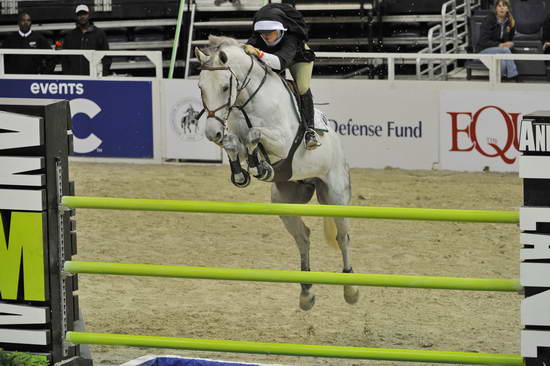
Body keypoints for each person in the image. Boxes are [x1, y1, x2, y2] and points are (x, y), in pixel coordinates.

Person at [243, 3, 320, 150]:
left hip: (298, 59)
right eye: (263, 33)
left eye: (270, 33)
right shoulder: (258, 36)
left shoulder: (291, 38)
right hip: (273, 59)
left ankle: (310, 131)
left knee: (302, 87)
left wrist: (258, 53)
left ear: (281, 30)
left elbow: (280, 63)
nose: (266, 36)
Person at [61, 4, 111, 76]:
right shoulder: (70, 36)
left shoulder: (99, 33)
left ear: (89, 15)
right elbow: (64, 58)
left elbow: (106, 56)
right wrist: (68, 74)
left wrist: (102, 74)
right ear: (76, 16)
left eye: (84, 14)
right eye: (79, 14)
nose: (82, 16)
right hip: (75, 79)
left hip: (93, 78)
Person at [477, 0, 519, 81]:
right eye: (499, 6)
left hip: (499, 50)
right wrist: (500, 45)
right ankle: (514, 76)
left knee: (502, 64)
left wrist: (510, 43)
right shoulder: (489, 20)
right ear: (496, 8)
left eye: (504, 6)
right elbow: (483, 41)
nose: (502, 8)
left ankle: (499, 84)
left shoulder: (510, 22)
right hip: (483, 49)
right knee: (505, 50)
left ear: (508, 9)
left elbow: (509, 39)